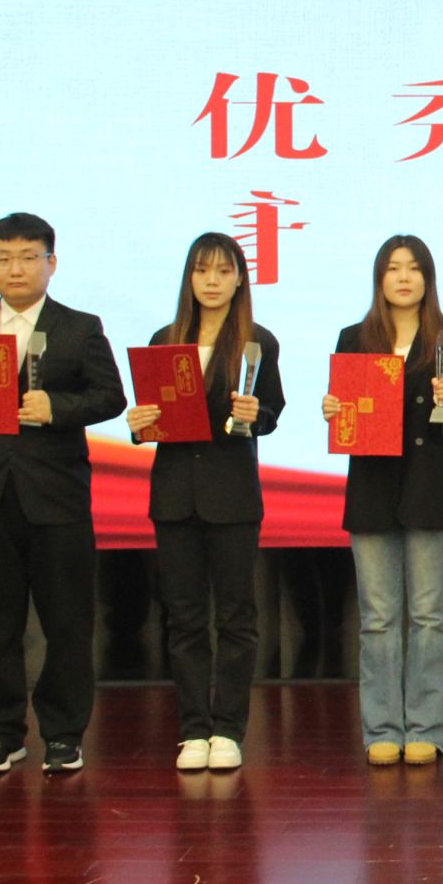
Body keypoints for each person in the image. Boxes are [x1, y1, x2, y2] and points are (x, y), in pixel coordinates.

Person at [0, 213, 126, 775]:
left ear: (50, 263)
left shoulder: (79, 327)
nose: (15, 269)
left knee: (67, 623)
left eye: (28, 257)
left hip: (57, 498)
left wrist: (58, 407)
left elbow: (110, 397)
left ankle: (63, 733)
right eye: (3, 258)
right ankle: (1, 732)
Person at [126, 233, 283, 773]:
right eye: (201, 270)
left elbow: (272, 412)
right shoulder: (165, 339)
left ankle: (229, 729)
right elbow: (154, 416)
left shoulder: (257, 341)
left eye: (223, 271)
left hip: (232, 494)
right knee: (185, 618)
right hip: (174, 495)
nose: (212, 281)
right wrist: (139, 424)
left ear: (240, 279)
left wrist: (255, 414)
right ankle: (193, 729)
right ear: (189, 278)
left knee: (236, 617)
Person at [329, 235, 443, 766]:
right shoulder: (354, 339)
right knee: (378, 619)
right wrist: (336, 411)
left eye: (414, 268)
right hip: (372, 493)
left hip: (430, 491)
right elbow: (349, 418)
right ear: (380, 278)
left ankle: (427, 727)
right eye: (393, 268)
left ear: (428, 278)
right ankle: (382, 729)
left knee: (430, 617)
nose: (404, 278)